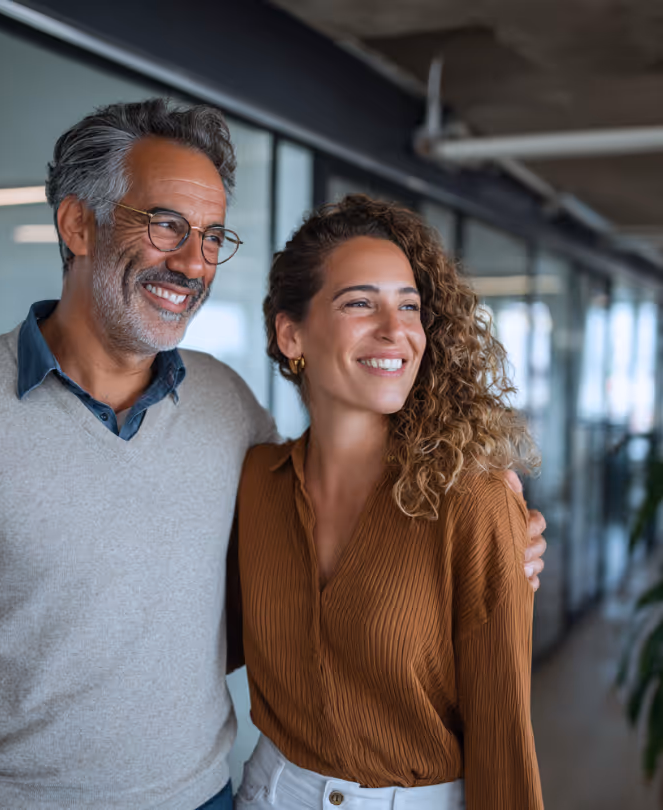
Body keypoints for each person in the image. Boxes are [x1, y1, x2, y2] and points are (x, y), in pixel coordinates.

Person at [0, 100, 546, 810]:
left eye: (213, 236)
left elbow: (323, 535)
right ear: (76, 224)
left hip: (208, 799)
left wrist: (489, 524)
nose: (192, 262)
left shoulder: (226, 407)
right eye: (166, 225)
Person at [230, 195, 544, 809]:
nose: (396, 330)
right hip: (266, 792)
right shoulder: (254, 484)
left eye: (409, 306)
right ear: (290, 333)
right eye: (359, 303)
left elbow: (504, 737)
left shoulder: (473, 504)